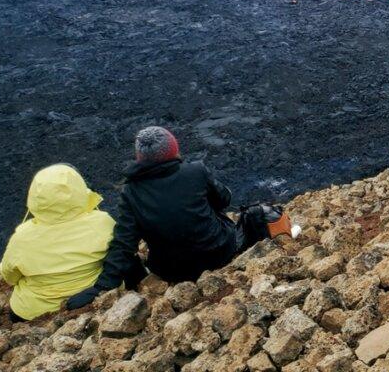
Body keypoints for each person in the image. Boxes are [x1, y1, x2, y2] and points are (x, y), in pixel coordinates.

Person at [66, 126, 262, 310]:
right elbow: (224, 200)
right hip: (219, 254)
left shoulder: (131, 191)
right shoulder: (196, 171)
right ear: (174, 150)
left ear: (139, 157)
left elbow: (124, 244)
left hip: (171, 271)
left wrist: (101, 288)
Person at [0, 164, 118, 321]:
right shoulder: (102, 222)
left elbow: (9, 277)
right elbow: (118, 257)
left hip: (34, 311)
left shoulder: (22, 237)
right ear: (78, 188)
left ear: (35, 196)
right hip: (93, 296)